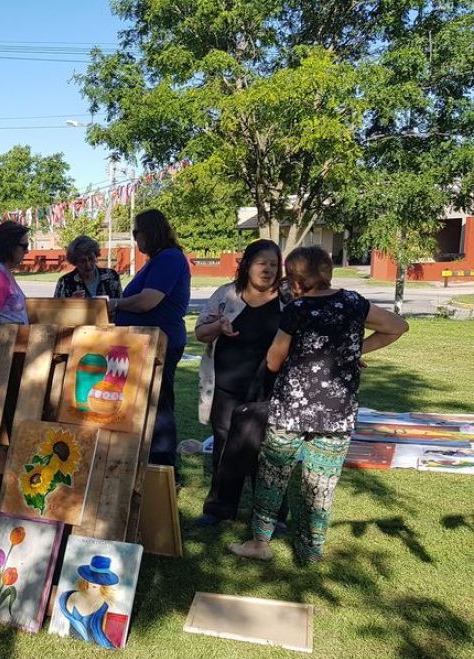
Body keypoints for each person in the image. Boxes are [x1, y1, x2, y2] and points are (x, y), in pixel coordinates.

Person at [230, 246, 408, 564]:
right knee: (322, 482)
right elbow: (397, 327)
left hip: (290, 409)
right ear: (329, 272)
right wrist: (354, 353)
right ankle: (311, 551)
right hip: (337, 411)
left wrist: (281, 365)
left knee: (273, 475)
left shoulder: (297, 309)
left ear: (296, 283)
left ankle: (260, 543)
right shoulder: (354, 302)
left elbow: (274, 358)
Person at [193, 239, 287, 526]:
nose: (268, 270)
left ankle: (272, 515)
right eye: (262, 263)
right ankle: (219, 509)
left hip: (270, 390)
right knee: (225, 446)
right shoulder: (226, 296)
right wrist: (217, 326)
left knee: (270, 450)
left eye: (273, 264)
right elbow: (200, 333)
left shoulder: (288, 300)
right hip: (227, 386)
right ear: (247, 265)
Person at [115, 209, 192, 469]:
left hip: (161, 343)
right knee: (148, 405)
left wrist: (113, 305)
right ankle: (151, 461)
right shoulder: (159, 259)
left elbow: (148, 300)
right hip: (146, 342)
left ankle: (163, 467)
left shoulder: (169, 258)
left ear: (148, 232)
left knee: (158, 407)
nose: (136, 240)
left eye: (136, 233)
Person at [54, 235, 122, 300]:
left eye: (91, 258)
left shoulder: (111, 276)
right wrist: (71, 302)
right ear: (75, 262)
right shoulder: (65, 282)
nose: (88, 265)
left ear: (96, 256)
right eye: (82, 261)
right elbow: (55, 310)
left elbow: (120, 304)